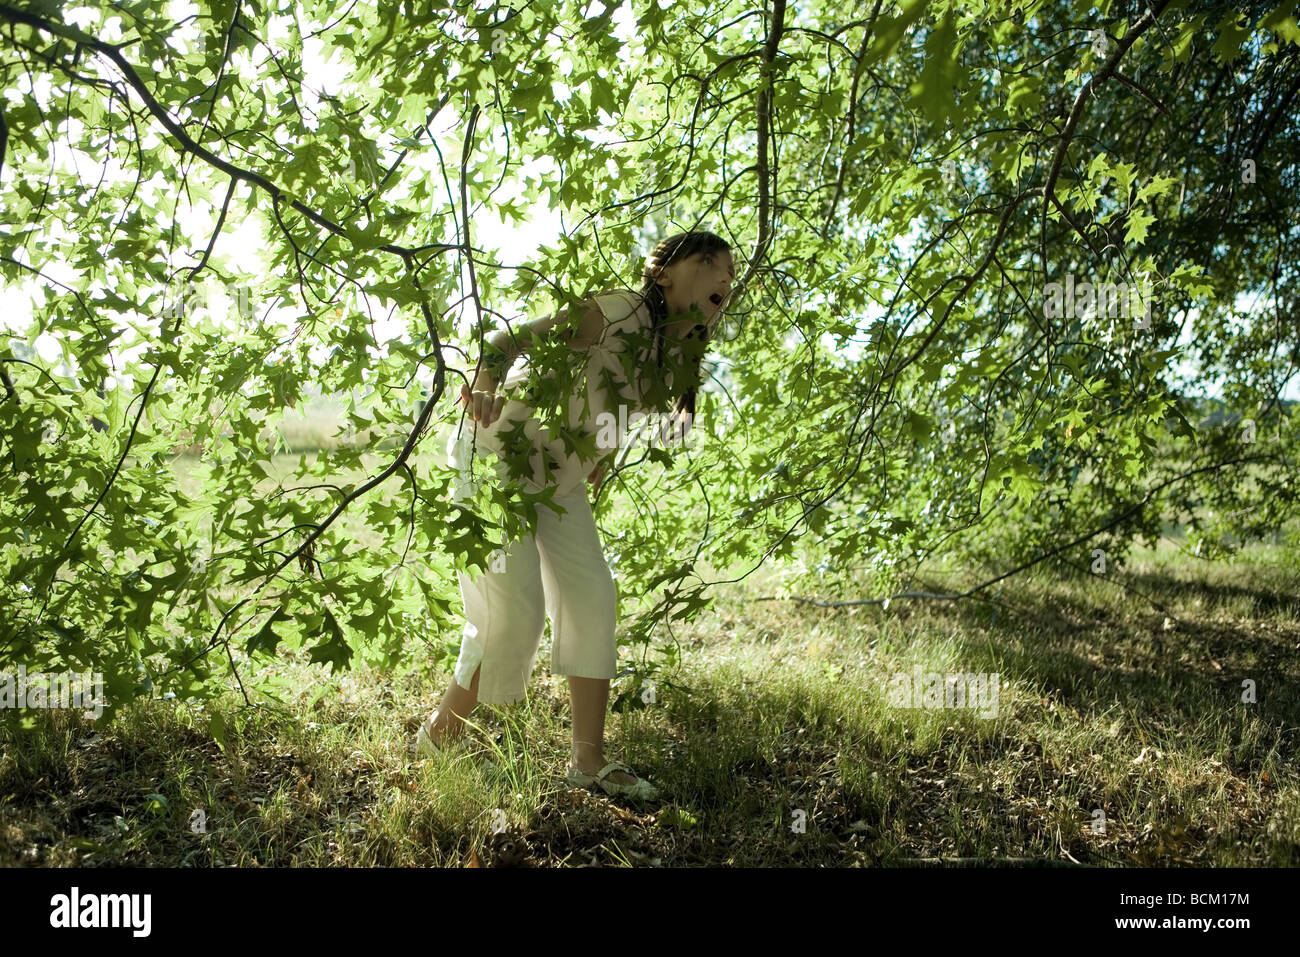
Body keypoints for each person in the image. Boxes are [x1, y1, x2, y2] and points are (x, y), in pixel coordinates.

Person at [416, 230, 736, 800]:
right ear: (663, 274)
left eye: (729, 275)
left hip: (558, 485)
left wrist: (602, 458)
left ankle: (588, 763)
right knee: (516, 609)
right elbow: (505, 339)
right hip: (497, 458)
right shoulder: (617, 312)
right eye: (709, 263)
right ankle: (439, 739)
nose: (724, 279)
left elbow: (614, 408)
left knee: (593, 597)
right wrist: (485, 388)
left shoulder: (672, 353)